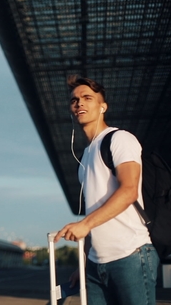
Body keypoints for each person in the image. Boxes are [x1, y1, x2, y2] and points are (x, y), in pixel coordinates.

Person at [54, 75, 159, 305]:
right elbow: (93, 213)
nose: (79, 103)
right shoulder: (84, 158)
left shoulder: (119, 139)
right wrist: (83, 262)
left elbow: (129, 190)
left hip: (130, 255)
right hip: (94, 265)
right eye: (74, 100)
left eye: (87, 98)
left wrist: (84, 224)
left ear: (103, 106)